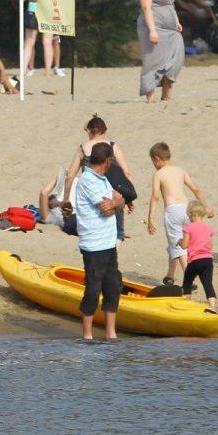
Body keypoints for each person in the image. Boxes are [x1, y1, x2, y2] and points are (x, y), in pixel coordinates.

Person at [70, 142, 123, 340]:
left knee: (112, 287)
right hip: (93, 244)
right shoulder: (87, 179)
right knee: (93, 288)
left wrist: (116, 202)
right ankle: (87, 335)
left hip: (109, 243)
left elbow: (119, 202)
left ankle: (111, 333)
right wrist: (116, 203)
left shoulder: (103, 179)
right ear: (108, 161)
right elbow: (106, 209)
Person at [143, 142, 213, 286]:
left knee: (177, 244)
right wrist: (206, 207)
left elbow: (155, 196)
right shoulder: (180, 170)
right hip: (187, 209)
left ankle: (190, 278)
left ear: (157, 158)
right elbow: (196, 189)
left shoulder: (159, 174)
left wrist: (150, 217)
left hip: (172, 210)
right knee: (177, 242)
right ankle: (170, 275)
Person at [62, 114, 137, 242]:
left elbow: (70, 177)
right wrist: (128, 198)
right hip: (114, 193)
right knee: (117, 234)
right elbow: (126, 172)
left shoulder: (83, 149)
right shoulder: (113, 147)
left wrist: (66, 198)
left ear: (88, 130)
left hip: (92, 194)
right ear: (106, 131)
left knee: (93, 232)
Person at [135, 0, 183, 102]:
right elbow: (146, 7)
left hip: (170, 27)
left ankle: (167, 92)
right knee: (153, 60)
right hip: (154, 25)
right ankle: (150, 96)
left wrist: (176, 20)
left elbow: (170, 2)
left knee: (176, 58)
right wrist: (152, 30)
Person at [180, 201, 218, 310]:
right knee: (208, 284)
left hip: (195, 260)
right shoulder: (208, 228)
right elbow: (210, 246)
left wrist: (179, 241)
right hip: (207, 259)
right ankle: (212, 307)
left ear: (191, 214)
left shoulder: (188, 227)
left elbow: (184, 245)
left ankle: (187, 305)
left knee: (187, 282)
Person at [21, 0, 62, 77]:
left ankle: (23, 69)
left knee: (29, 43)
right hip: (49, 11)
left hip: (33, 11)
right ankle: (47, 71)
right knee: (47, 42)